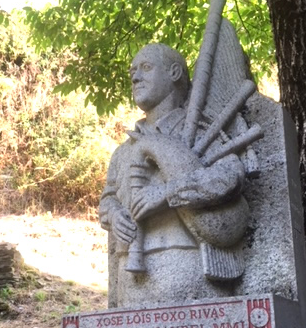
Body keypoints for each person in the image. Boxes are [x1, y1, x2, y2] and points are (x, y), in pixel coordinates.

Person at [99, 43, 248, 308]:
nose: (135, 77)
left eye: (146, 67)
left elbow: (229, 176)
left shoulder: (204, 133)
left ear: (175, 73)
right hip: (131, 280)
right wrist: (113, 214)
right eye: (132, 71)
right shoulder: (123, 152)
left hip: (189, 269)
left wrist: (168, 193)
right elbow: (108, 198)